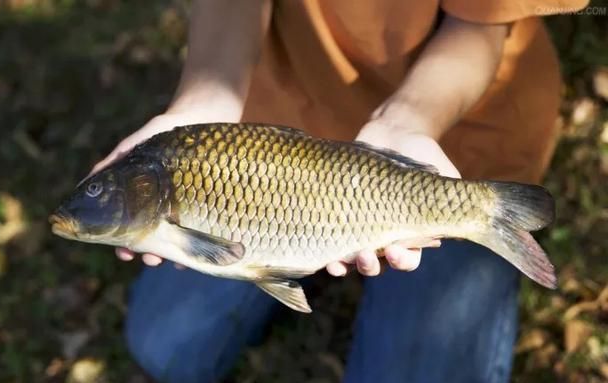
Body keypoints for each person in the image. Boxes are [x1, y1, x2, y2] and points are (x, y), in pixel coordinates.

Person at [89, 0, 589, 382]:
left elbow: (480, 23)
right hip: (265, 137)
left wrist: (407, 123)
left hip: (451, 145)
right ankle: (306, 257)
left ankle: (469, 223)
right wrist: (205, 100)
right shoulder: (184, 165)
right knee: (163, 344)